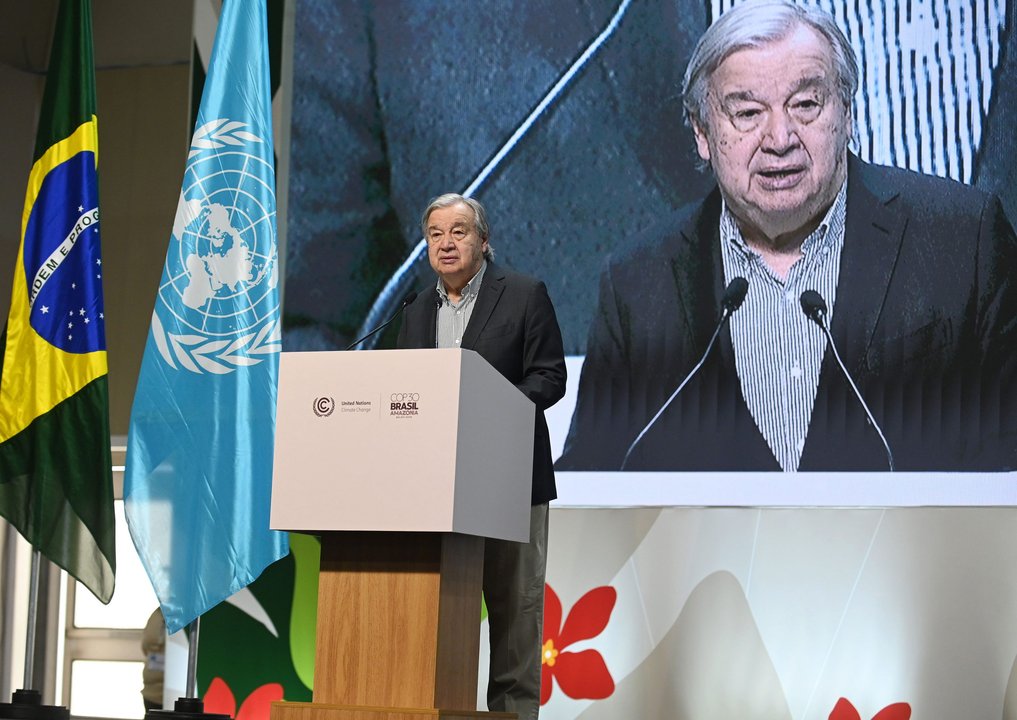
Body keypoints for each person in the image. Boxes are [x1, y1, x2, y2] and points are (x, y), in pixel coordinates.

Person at [557, 0, 1017, 472]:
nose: (780, 138)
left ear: (846, 114)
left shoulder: (963, 240)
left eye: (805, 105)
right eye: (747, 112)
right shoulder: (639, 284)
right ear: (702, 133)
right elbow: (592, 479)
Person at [397, 194, 567, 718]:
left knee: (515, 614)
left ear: (484, 241)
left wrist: (490, 405)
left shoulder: (523, 294)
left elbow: (550, 376)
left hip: (509, 483)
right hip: (436, 490)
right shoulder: (415, 309)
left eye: (459, 231)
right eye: (435, 234)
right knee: (439, 613)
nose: (446, 243)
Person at [141, 608, 165, 711]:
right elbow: (145, 647)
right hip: (152, 692)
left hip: (169, 692)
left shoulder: (156, 615)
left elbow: (145, 647)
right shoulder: (156, 614)